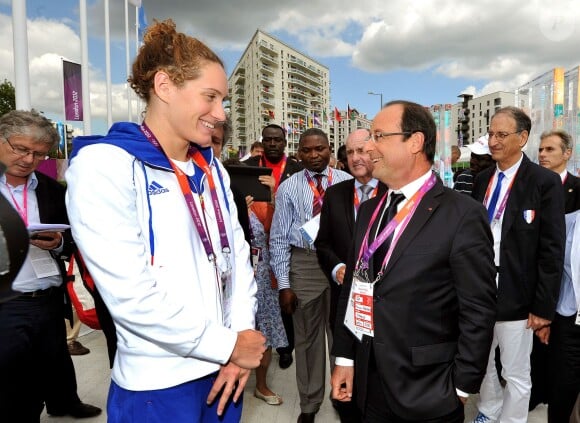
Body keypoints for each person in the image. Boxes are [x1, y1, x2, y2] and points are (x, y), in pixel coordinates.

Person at [65, 20, 265, 423]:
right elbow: (131, 297)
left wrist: (240, 341)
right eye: (210, 97)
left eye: (223, 100)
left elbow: (238, 257)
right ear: (164, 86)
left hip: (225, 371)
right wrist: (228, 345)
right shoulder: (103, 165)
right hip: (158, 383)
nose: (220, 113)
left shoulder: (213, 169)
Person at [331, 100, 497, 422]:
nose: (368, 146)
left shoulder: (462, 215)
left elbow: (478, 309)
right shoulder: (369, 210)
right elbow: (355, 288)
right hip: (368, 382)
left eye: (379, 136)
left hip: (429, 389)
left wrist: (461, 387)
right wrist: (345, 358)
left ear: (416, 142)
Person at [0, 110, 101, 421]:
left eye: (39, 154)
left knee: (54, 355)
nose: (30, 159)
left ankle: (63, 402)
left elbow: (74, 239)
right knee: (14, 373)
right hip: (7, 300)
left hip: (47, 294)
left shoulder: (52, 189)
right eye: (21, 149)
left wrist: (58, 243)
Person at [471, 106, 566, 423]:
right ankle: (488, 409)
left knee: (515, 372)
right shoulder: (481, 179)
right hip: (479, 293)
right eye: (491, 134)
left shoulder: (544, 182)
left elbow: (552, 249)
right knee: (479, 362)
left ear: (522, 138)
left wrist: (543, 306)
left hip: (518, 297)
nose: (493, 141)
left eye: (501, 134)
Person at [270, 127, 352, 423]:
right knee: (307, 340)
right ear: (299, 152)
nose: (314, 155)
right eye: (307, 150)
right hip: (304, 264)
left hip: (341, 264)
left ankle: (343, 397)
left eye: (320, 149)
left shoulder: (347, 182)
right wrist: (284, 284)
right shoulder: (288, 187)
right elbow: (278, 238)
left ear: (330, 149)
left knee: (342, 336)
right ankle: (309, 404)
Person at [315, 128, 385, 423]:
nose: (356, 158)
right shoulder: (335, 194)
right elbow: (323, 243)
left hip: (384, 308)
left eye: (363, 151)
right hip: (346, 306)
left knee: (379, 382)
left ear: (376, 151)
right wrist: (336, 268)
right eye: (351, 152)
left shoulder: (395, 193)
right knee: (346, 380)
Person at [244, 123, 302, 370]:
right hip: (255, 245)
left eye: (277, 140)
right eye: (268, 140)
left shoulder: (296, 170)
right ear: (262, 142)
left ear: (285, 142)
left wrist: (274, 192)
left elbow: (300, 206)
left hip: (285, 244)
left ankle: (286, 347)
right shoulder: (246, 168)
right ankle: (259, 341)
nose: (273, 144)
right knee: (260, 296)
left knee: (285, 294)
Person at [536, 129, 580, 422]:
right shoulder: (532, 188)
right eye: (540, 149)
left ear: (568, 154)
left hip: (568, 303)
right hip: (550, 299)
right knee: (551, 371)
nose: (542, 154)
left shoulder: (577, 191)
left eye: (550, 149)